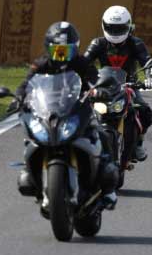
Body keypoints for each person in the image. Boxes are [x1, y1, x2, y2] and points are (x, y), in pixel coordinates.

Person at [12, 21, 119, 209]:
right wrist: (18, 97)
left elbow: (95, 79)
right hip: (48, 111)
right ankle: (31, 173)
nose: (61, 55)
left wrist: (98, 90)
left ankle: (109, 189)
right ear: (48, 49)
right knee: (31, 139)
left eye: (65, 51)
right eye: (57, 51)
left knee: (102, 135)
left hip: (77, 109)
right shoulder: (41, 64)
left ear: (75, 48)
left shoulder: (82, 63)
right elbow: (26, 83)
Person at [81, 5, 152, 162]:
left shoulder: (136, 43)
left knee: (146, 114)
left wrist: (151, 77)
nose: (115, 32)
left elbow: (147, 61)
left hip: (129, 86)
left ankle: (138, 143)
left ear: (128, 26)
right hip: (102, 86)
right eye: (112, 28)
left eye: (119, 28)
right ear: (104, 25)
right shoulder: (98, 43)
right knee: (81, 109)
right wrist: (79, 78)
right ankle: (83, 143)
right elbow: (83, 62)